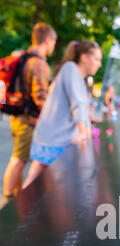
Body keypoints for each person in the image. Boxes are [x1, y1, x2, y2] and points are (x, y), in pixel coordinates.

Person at [22, 40, 102, 188]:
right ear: (84, 57)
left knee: (35, 183)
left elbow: (76, 106)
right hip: (55, 139)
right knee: (53, 187)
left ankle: (19, 208)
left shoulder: (72, 72)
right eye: (96, 59)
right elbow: (77, 104)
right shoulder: (71, 69)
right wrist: (84, 133)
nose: (99, 64)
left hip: (49, 136)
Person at [3, 23, 57, 198]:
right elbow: (40, 97)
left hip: (18, 116)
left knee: (20, 158)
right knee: (19, 160)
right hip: (28, 120)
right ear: (48, 40)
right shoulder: (39, 64)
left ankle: (15, 197)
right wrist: (52, 117)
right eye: (54, 42)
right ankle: (9, 197)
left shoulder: (25, 58)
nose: (53, 46)